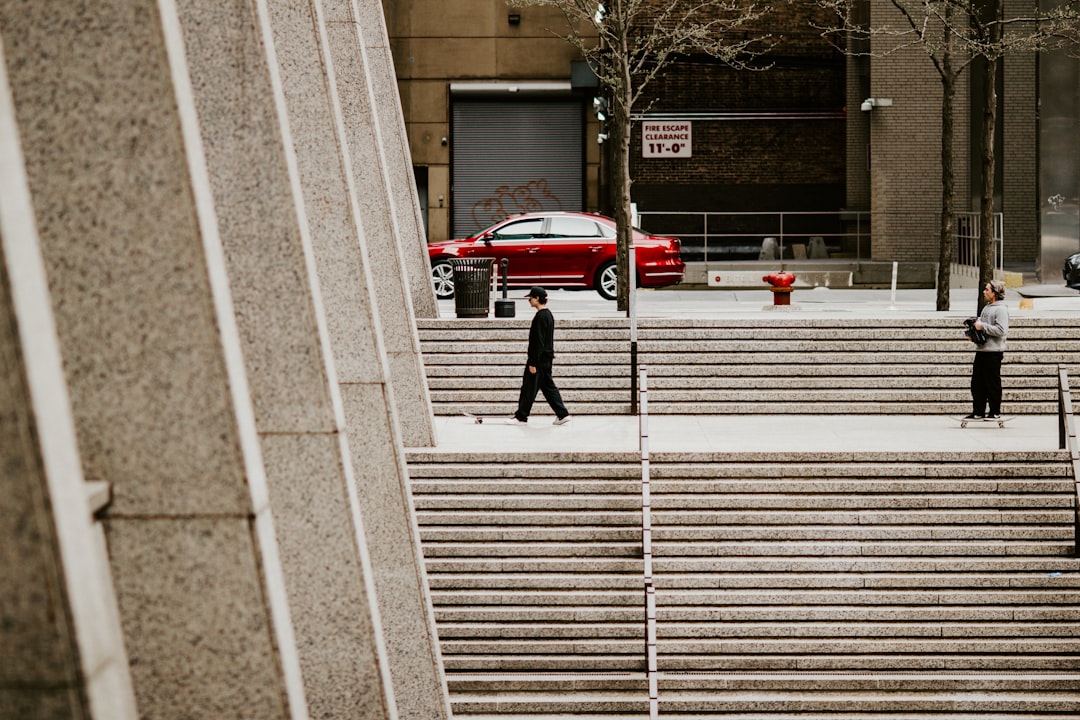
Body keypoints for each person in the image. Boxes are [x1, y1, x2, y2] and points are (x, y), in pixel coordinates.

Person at [513, 287, 571, 425]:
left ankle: (521, 416)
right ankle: (562, 414)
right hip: (546, 358)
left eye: (531, 297)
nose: (529, 300)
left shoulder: (540, 317)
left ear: (537, 298)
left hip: (538, 360)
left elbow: (537, 342)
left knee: (528, 387)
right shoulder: (548, 315)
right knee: (548, 387)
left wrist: (533, 362)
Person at [966, 280, 1009, 421]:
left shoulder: (1001, 309)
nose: (984, 292)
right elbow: (983, 327)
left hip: (994, 352)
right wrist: (975, 335)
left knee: (992, 383)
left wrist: (982, 326)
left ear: (995, 293)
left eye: (987, 290)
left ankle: (995, 411)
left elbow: (1001, 330)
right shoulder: (986, 308)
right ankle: (978, 411)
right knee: (977, 383)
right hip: (982, 350)